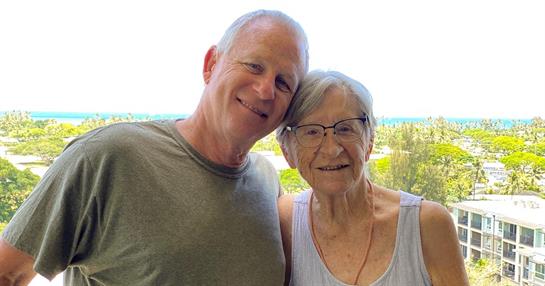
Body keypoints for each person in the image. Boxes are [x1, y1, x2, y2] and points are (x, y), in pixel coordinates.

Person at [0, 10, 309, 285]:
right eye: (254, 65)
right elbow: (7, 273)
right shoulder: (107, 157)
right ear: (211, 64)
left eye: (284, 83)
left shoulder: (268, 183)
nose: (265, 89)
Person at [275, 70, 468, 286]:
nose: (331, 149)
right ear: (287, 152)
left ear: (369, 142)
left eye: (345, 128)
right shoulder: (286, 220)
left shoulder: (427, 225)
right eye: (311, 132)